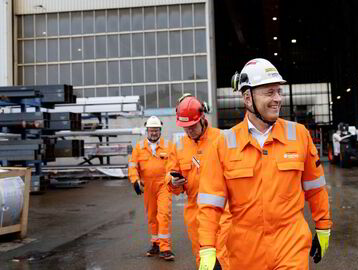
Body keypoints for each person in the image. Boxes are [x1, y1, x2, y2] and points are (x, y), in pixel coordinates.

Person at [196, 58, 332, 270]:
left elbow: (315, 188)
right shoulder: (223, 144)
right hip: (245, 252)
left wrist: (323, 226)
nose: (277, 99)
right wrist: (207, 248)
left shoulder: (299, 135)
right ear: (248, 97)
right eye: (269, 92)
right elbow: (210, 204)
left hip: (290, 245)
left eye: (279, 92)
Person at [166, 94, 231, 269]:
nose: (189, 131)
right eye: (185, 127)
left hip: (222, 209)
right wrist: (173, 182)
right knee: (202, 255)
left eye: (192, 126)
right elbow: (170, 176)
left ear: (202, 118)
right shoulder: (178, 146)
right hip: (194, 211)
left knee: (221, 252)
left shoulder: (222, 138)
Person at [128, 116, 175, 260]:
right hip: (147, 186)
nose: (153, 133)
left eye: (156, 130)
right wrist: (135, 181)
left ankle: (165, 248)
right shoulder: (139, 147)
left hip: (163, 185)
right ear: (146, 131)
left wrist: (172, 179)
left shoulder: (169, 145)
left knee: (163, 214)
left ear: (160, 130)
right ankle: (155, 244)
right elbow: (132, 166)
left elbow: (173, 164)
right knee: (152, 217)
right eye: (151, 130)